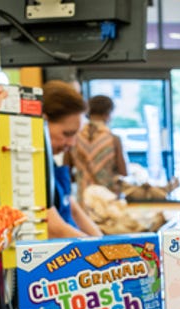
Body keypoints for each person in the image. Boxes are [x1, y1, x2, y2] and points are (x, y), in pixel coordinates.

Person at [42, 80, 102, 238]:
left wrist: (103, 242)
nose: (72, 143)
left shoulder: (52, 163)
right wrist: (98, 249)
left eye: (76, 135)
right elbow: (53, 227)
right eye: (67, 134)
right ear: (42, 122)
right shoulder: (29, 168)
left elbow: (73, 209)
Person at [65, 95, 128, 206]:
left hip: (83, 202)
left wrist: (82, 176)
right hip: (107, 201)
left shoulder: (74, 137)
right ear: (108, 115)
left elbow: (66, 172)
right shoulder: (113, 139)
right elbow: (123, 172)